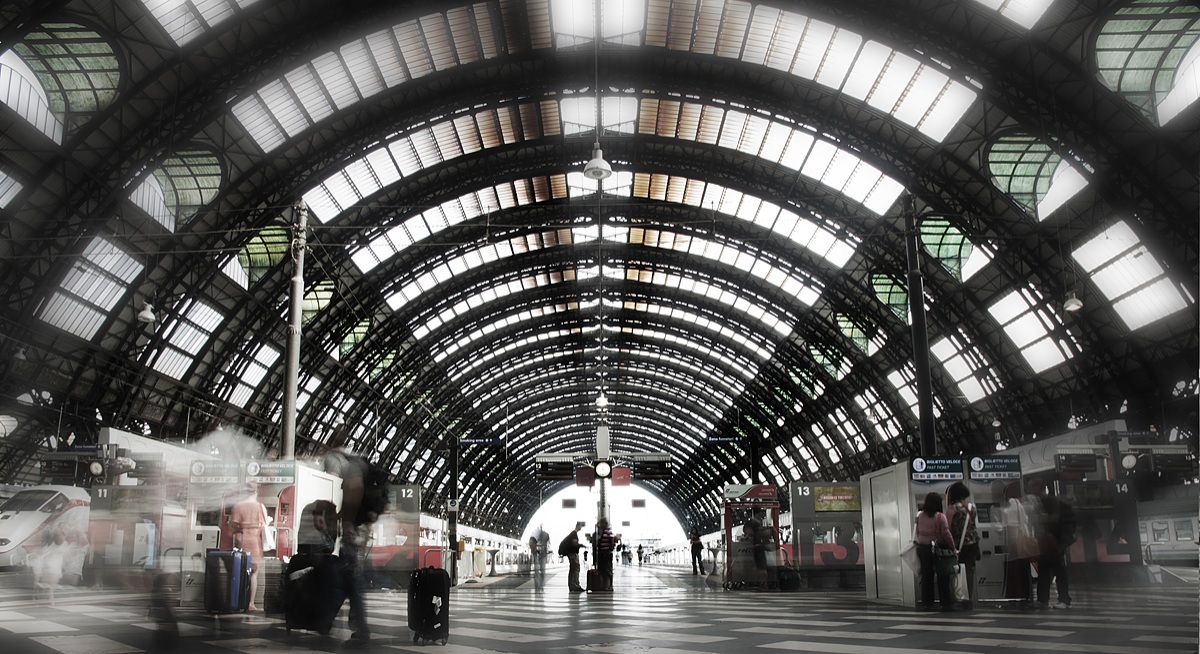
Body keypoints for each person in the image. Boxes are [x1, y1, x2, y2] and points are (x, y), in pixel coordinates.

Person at [323, 447, 373, 647]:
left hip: (351, 539)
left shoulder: (353, 471)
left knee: (348, 584)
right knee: (347, 584)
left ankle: (356, 627)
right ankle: (331, 622)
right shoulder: (361, 472)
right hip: (356, 539)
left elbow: (352, 497)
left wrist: (345, 521)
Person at [1029, 479, 1072, 610]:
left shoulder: (1052, 501)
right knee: (1043, 569)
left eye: (1031, 487)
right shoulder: (1036, 503)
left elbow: (1054, 518)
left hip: (1055, 540)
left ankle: (1064, 599)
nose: (1029, 490)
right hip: (1044, 540)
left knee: (1058, 569)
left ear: (1039, 487)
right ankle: (1042, 599)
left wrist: (1038, 518)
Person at [915, 491, 956, 611]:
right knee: (943, 576)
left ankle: (927, 603)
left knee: (927, 576)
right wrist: (953, 547)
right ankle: (945, 603)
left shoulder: (920, 515)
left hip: (923, 548)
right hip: (939, 548)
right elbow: (946, 533)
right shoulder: (940, 516)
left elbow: (917, 531)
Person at [229, 483, 267, 612]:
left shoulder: (237, 506)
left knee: (238, 572)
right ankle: (250, 603)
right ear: (256, 491)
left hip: (241, 541)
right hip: (255, 543)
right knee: (253, 574)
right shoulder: (260, 507)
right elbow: (265, 523)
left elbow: (232, 525)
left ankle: (238, 602)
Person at [946, 481, 980, 610]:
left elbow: (947, 527)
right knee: (969, 571)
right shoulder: (972, 507)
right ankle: (968, 598)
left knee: (956, 571)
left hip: (958, 545)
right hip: (973, 543)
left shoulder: (952, 508)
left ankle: (957, 597)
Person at [559, 521, 587, 592]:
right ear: (578, 525)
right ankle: (576, 585)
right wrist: (581, 545)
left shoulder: (572, 534)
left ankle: (571, 585)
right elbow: (574, 544)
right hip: (572, 553)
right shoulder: (574, 534)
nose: (581, 527)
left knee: (572, 569)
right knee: (576, 568)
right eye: (580, 526)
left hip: (570, 553)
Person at [597, 518, 617, 592]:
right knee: (603, 570)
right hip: (603, 553)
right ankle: (604, 585)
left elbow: (611, 542)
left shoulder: (608, 531)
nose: (600, 525)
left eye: (601, 523)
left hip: (606, 553)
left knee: (608, 570)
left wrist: (609, 550)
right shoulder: (602, 532)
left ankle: (609, 585)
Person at [529, 525, 549, 590]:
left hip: (542, 554)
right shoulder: (535, 534)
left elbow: (548, 544)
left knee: (538, 571)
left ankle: (539, 586)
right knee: (539, 570)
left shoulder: (545, 535)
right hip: (538, 554)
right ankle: (539, 586)